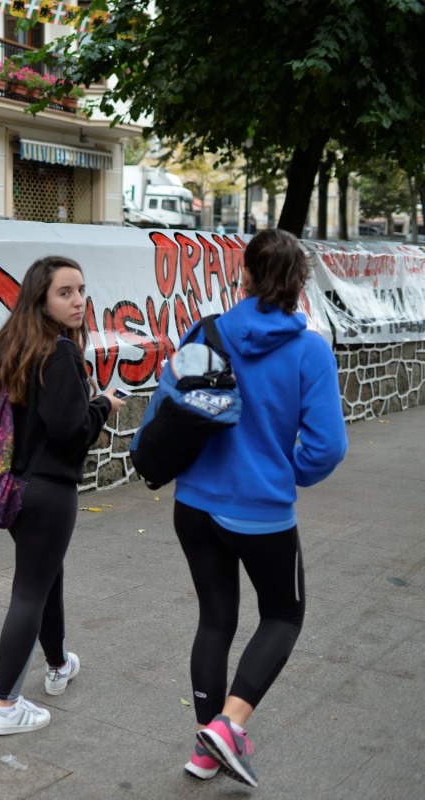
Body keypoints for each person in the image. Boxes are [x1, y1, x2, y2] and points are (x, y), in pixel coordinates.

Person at [172, 228, 347, 785]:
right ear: (300, 283)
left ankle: (206, 748)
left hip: (194, 504)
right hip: (261, 513)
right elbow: (327, 447)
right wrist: (287, 472)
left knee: (215, 618)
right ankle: (229, 727)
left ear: (243, 274)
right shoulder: (310, 350)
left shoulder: (206, 331)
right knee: (283, 616)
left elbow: (170, 403)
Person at [0, 256, 127, 735]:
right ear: (41, 300)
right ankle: (4, 707)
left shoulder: (16, 345)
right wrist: (103, 404)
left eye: (81, 290)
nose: (78, 300)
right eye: (65, 292)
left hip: (16, 488)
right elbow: (72, 431)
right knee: (29, 593)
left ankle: (58, 663)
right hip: (48, 491)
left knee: (46, 579)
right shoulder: (59, 353)